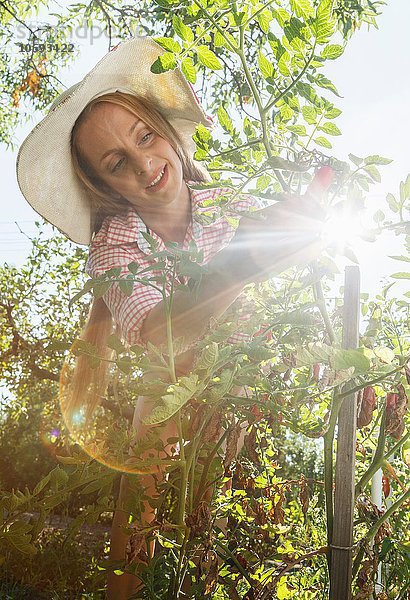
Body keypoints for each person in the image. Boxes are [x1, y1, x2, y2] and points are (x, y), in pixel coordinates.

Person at [17, 36, 330, 599]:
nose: (144, 164)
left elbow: (296, 264)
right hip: (168, 404)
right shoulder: (113, 249)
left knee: (250, 545)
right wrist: (246, 261)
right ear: (104, 185)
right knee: (140, 535)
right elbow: (165, 337)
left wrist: (303, 230)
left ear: (167, 134)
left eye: (146, 137)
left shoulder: (228, 206)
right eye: (118, 163)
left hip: (248, 393)